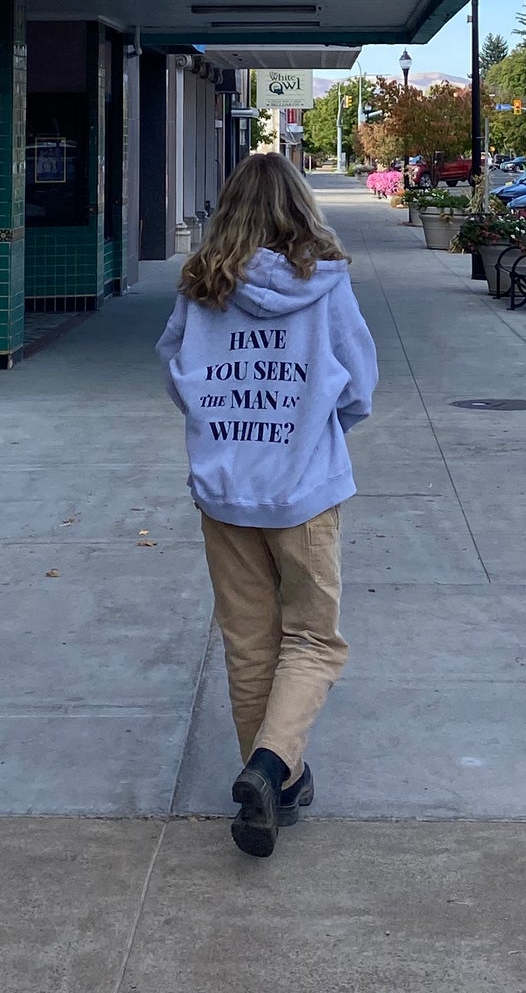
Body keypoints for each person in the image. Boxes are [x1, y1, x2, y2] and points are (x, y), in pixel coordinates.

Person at [155, 152, 378, 859]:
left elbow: (174, 369)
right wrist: (310, 425)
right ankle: (273, 765)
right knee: (312, 637)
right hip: (302, 487)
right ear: (300, 205)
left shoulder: (200, 286)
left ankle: (275, 776)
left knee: (249, 641)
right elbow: (359, 383)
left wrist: (223, 429)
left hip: (225, 489)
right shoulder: (325, 283)